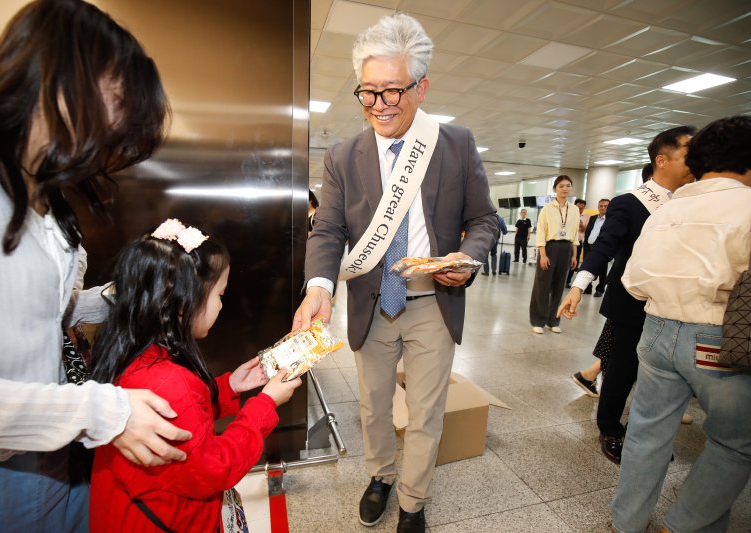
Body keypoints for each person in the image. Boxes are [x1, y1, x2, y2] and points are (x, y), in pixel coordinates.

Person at [0, 1, 192, 530]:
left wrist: (134, 288)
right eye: (117, 103)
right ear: (64, 79)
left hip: (55, 455)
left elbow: (39, 311)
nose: (116, 133)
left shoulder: (43, 192)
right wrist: (94, 413)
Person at [293, 14, 498, 533]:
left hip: (433, 302)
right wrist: (319, 285)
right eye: (368, 92)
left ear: (421, 87)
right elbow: (328, 229)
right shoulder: (344, 155)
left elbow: (484, 220)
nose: (379, 105)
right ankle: (380, 476)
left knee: (427, 413)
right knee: (372, 406)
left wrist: (465, 259)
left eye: (393, 91)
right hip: (371, 303)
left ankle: (412, 500)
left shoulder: (454, 143)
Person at [89, 220, 300, 532]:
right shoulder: (168, 381)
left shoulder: (136, 352)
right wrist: (266, 403)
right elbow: (213, 468)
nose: (221, 305)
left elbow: (180, 421)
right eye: (219, 294)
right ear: (181, 304)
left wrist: (228, 387)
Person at [612, 115, 751, 533]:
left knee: (645, 432)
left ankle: (626, 522)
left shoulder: (669, 210)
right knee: (736, 441)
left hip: (654, 331)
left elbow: (633, 282)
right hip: (717, 338)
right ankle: (684, 523)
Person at [557, 125, 697, 465]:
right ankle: (609, 427)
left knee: (665, 373)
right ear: (662, 160)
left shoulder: (693, 201)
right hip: (632, 302)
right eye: (688, 154)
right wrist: (579, 285)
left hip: (676, 304)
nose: (697, 161)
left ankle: (645, 431)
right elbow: (605, 247)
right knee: (622, 368)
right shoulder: (630, 203)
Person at [529, 175, 579, 334]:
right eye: (561, 186)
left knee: (559, 286)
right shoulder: (547, 209)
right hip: (549, 248)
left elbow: (575, 234)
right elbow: (541, 233)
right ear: (555, 189)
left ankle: (553, 320)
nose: (565, 189)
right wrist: (543, 255)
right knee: (542, 286)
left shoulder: (575, 209)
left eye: (568, 186)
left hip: (566, 248)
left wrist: (574, 255)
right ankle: (538, 320)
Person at [581, 198, 610, 296]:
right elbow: (588, 231)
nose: (603, 208)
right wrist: (585, 245)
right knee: (587, 268)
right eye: (601, 206)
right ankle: (588, 288)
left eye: (605, 206)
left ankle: (600, 289)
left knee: (602, 270)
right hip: (588, 247)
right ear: (598, 207)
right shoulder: (593, 218)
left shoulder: (611, 220)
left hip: (601, 248)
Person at [565, 198, 587, 288]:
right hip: (567, 242)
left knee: (574, 262)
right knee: (564, 261)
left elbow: (586, 230)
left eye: (582, 208)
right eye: (578, 208)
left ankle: (568, 281)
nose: (579, 210)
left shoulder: (586, 217)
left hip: (578, 243)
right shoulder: (568, 216)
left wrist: (581, 225)